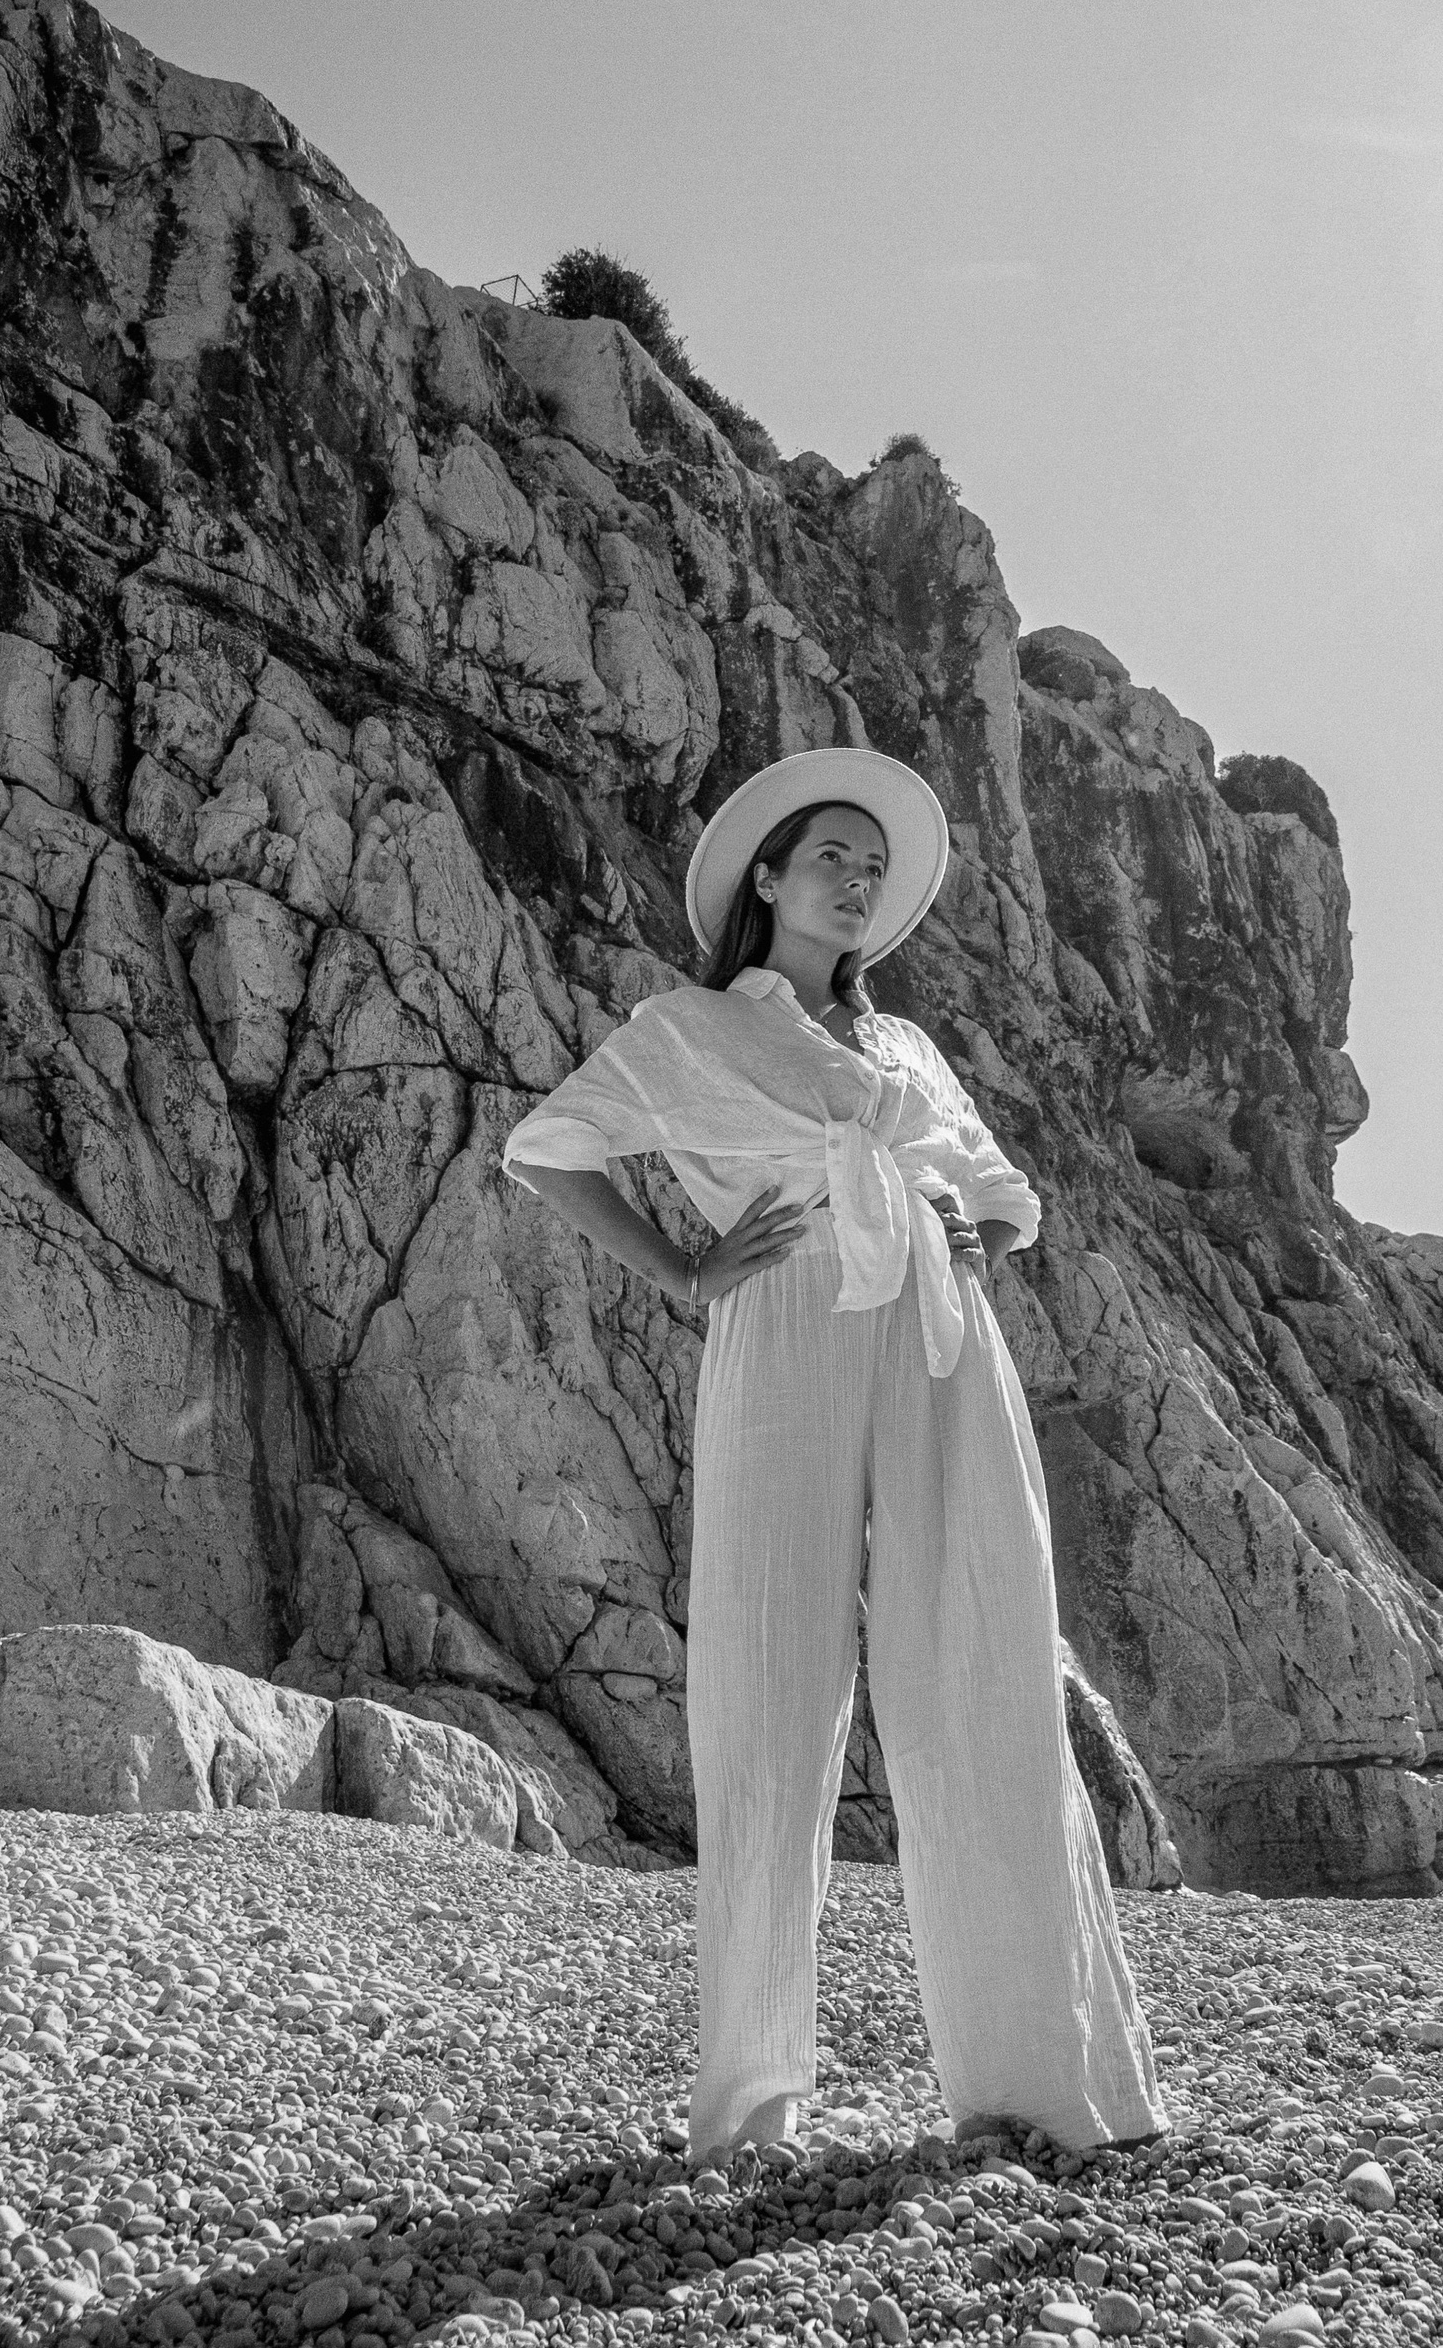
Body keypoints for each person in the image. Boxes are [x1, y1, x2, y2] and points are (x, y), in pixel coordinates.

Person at [499, 745, 1167, 2166]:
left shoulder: (908, 1049)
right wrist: (685, 1267)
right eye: (831, 859)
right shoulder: (692, 1027)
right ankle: (750, 2107)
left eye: (874, 867)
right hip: (787, 1312)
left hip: (941, 1332)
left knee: (988, 1664)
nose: (857, 883)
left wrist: (976, 1229)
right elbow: (551, 1149)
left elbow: (1006, 1195)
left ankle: (1042, 2084)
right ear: (768, 878)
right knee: (768, 1685)